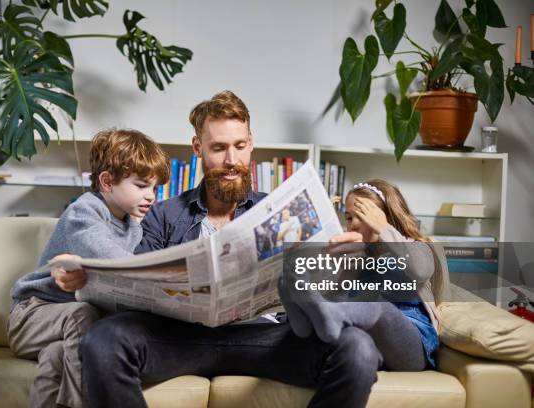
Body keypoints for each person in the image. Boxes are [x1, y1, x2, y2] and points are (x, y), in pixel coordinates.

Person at [81, 91, 389, 408]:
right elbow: (132, 294)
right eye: (218, 148)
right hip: (183, 339)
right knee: (104, 340)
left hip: (266, 338)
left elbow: (324, 295)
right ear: (198, 148)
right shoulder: (164, 214)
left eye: (240, 146)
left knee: (358, 349)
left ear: (251, 143)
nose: (232, 161)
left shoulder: (281, 210)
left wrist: (341, 267)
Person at [8, 128, 169, 408]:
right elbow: (106, 256)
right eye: (142, 186)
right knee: (83, 315)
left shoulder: (133, 227)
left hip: (62, 332)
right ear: (107, 181)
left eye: (155, 188)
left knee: (58, 358)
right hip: (31, 317)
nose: (151, 196)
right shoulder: (84, 211)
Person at [280, 179, 447, 376]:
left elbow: (421, 270)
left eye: (362, 216)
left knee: (373, 301)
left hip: (412, 344)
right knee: (298, 283)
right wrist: (347, 271)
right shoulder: (357, 255)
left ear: (385, 217)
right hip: (365, 344)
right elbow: (331, 314)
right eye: (349, 218)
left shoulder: (411, 245)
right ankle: (301, 325)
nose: (354, 225)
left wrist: (384, 230)